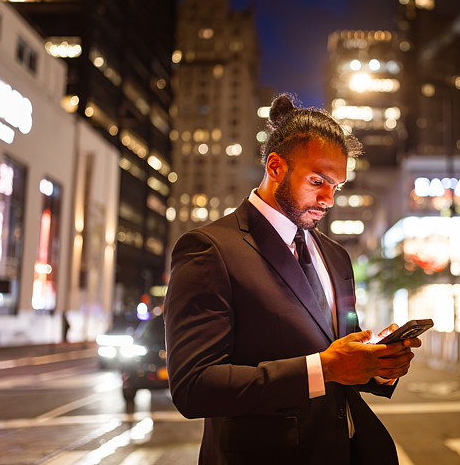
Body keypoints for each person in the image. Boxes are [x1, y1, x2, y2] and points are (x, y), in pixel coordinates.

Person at [164, 94, 420, 465]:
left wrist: (378, 366)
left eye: (336, 186)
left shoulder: (335, 256)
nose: (328, 199)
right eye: (318, 181)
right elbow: (194, 387)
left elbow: (343, 348)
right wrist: (323, 368)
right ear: (275, 167)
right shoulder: (209, 249)